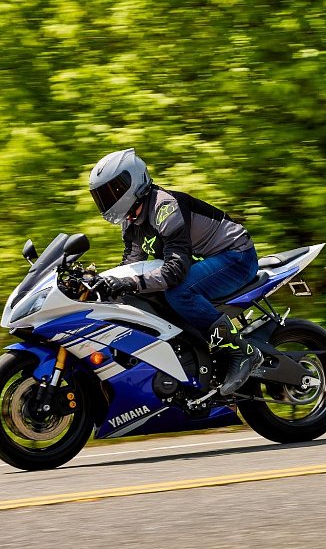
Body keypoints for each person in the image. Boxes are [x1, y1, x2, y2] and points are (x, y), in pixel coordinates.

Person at [88, 148, 262, 395]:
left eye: (112, 191)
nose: (107, 200)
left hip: (236, 256)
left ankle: (240, 352)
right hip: (206, 264)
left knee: (179, 293)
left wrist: (130, 282)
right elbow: (129, 264)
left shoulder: (164, 208)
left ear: (132, 181)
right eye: (101, 195)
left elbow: (175, 272)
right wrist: (101, 283)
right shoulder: (130, 222)